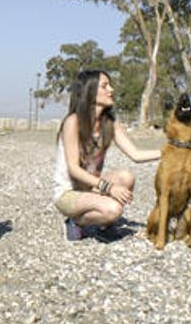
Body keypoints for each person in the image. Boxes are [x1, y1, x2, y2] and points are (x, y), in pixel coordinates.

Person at [53, 70, 161, 241]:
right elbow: (73, 169)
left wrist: (170, 151)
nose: (111, 89)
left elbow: (136, 155)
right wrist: (109, 188)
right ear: (90, 91)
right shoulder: (73, 122)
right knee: (113, 210)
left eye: (110, 85)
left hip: (91, 187)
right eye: (105, 86)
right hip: (68, 193)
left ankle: (105, 226)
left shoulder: (110, 123)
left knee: (126, 177)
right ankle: (76, 222)